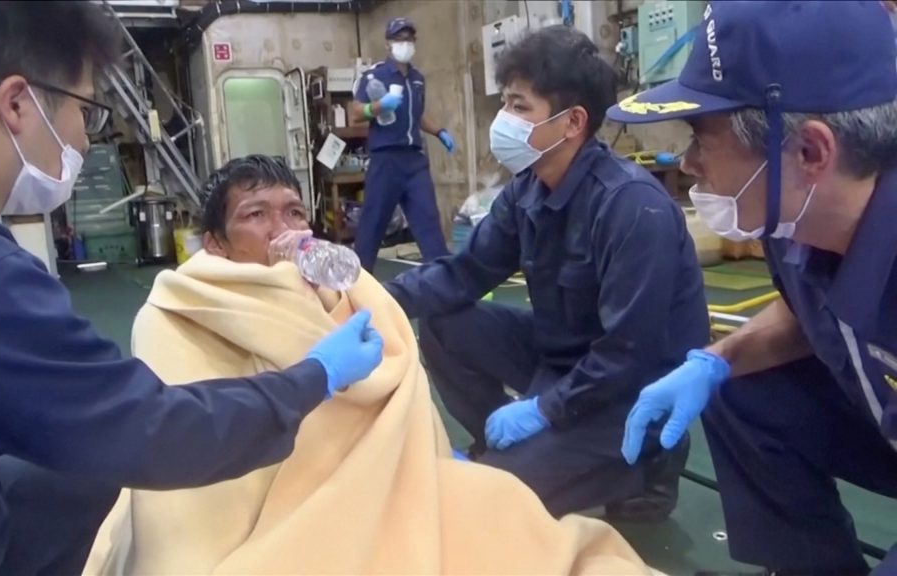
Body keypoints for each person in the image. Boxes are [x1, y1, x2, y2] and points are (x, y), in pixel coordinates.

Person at [0, 3, 382, 575]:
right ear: (17, 104)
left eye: (292, 211)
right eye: (85, 114)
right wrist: (316, 376)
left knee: (71, 474)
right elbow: (150, 428)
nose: (86, 143)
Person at [84, 154, 651, 576]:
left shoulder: (340, 292)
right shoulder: (182, 308)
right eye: (255, 215)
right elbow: (194, 444)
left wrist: (419, 447)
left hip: (398, 472)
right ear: (216, 244)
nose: (284, 229)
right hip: (276, 503)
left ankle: (648, 475)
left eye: (294, 211)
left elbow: (394, 373)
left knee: (504, 506)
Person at [608, 1, 897, 574]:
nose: (688, 164)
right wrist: (716, 361)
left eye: (701, 137)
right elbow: (807, 311)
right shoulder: (794, 218)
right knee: (742, 383)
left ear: (810, 152)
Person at [384, 24, 709, 521]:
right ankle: (504, 445)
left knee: (496, 503)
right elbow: (466, 273)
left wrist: (543, 410)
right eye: (506, 104)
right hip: (566, 361)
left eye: (519, 107)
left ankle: (650, 465)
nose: (503, 120)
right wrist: (374, 298)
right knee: (447, 323)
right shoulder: (527, 190)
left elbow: (629, 353)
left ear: (573, 121)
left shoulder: (630, 207)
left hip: (630, 389)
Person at [349, 17, 454, 272]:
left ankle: (443, 285)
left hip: (414, 160)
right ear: (388, 43)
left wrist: (439, 132)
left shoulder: (417, 79)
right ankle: (357, 283)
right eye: (399, 39)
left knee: (429, 222)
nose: (404, 44)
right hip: (386, 159)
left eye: (408, 39)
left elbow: (418, 114)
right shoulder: (374, 76)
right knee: (372, 224)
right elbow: (355, 114)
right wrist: (379, 106)